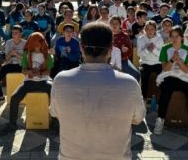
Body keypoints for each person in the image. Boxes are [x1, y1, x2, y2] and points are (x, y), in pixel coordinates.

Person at [50, 22, 145, 160]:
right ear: (110, 49)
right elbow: (137, 119)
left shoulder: (60, 80)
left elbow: (55, 113)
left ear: (81, 49)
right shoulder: (130, 83)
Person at [154, 26, 188, 136]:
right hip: (168, 76)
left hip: (182, 77)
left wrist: (179, 60)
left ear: (181, 37)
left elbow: (186, 70)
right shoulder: (165, 48)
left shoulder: (187, 50)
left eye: (177, 36)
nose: (174, 39)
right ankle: (160, 119)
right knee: (166, 92)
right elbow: (165, 68)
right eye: (172, 36)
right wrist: (172, 60)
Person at [8, 32, 54, 130]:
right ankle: (12, 123)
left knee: (55, 95)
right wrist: (30, 72)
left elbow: (48, 72)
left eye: (39, 43)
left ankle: (56, 122)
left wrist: (39, 73)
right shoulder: (27, 54)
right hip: (29, 82)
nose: (37, 46)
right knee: (14, 97)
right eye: (35, 43)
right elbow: (23, 70)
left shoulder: (47, 55)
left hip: (44, 82)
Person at [0, 26, 26, 93]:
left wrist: (16, 54)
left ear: (21, 34)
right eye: (13, 33)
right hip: (10, 64)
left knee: (29, 78)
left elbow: (25, 59)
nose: (13, 34)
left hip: (21, 65)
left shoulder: (25, 43)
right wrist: (11, 53)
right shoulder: (8, 42)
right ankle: (0, 96)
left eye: (16, 33)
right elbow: (6, 58)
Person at [137, 21, 164, 98]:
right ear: (145, 29)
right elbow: (139, 54)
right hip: (145, 63)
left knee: (162, 78)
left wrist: (153, 50)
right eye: (147, 29)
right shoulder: (140, 39)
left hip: (157, 63)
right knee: (144, 77)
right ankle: (144, 98)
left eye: (152, 29)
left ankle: (160, 98)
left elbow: (161, 55)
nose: (150, 31)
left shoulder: (159, 39)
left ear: (155, 30)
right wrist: (147, 49)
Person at [110, 16, 141, 82]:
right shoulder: (107, 35)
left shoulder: (125, 36)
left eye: (116, 23)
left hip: (123, 61)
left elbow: (130, 51)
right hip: (110, 62)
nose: (114, 25)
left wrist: (125, 51)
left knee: (136, 74)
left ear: (120, 25)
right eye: (112, 23)